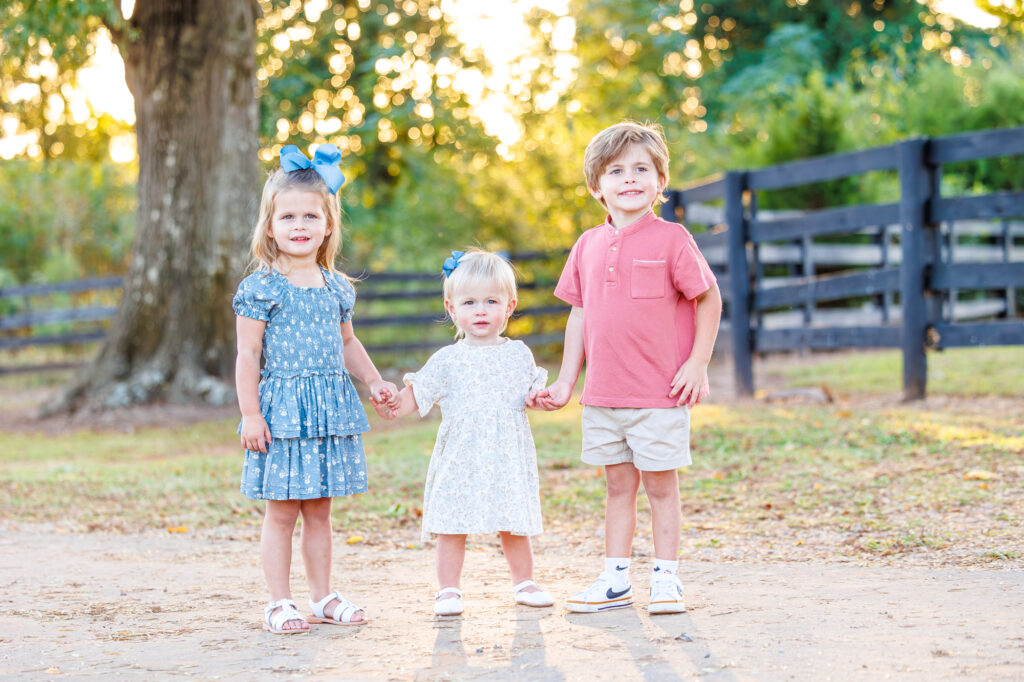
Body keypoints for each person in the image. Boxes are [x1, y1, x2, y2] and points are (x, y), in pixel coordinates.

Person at [528, 121, 722, 614]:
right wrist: (567, 380)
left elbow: (708, 297)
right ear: (597, 186)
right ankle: (616, 580)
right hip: (604, 395)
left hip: (659, 393)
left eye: (642, 169)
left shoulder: (673, 238)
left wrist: (698, 363)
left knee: (660, 485)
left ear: (660, 181)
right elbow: (579, 314)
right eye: (617, 171)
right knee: (617, 486)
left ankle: (667, 578)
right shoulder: (587, 245)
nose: (630, 178)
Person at [233, 143, 398, 634]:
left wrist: (373, 380)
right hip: (282, 412)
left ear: (328, 225)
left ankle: (323, 595)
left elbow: (348, 342)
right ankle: (279, 602)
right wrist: (249, 414)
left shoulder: (336, 287)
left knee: (320, 512)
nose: (299, 225)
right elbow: (247, 355)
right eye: (288, 216)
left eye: (310, 215)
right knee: (282, 512)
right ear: (270, 226)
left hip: (326, 409)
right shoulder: (261, 287)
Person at [379, 249, 554, 616]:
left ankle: (524, 582)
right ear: (451, 307)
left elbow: (530, 394)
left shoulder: (518, 354)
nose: (480, 310)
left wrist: (539, 398)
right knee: (451, 524)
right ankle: (448, 590)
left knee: (513, 522)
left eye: (491, 301)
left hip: (506, 453)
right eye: (470, 302)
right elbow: (419, 393)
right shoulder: (448, 359)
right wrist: (396, 403)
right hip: (461, 454)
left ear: (509, 306)